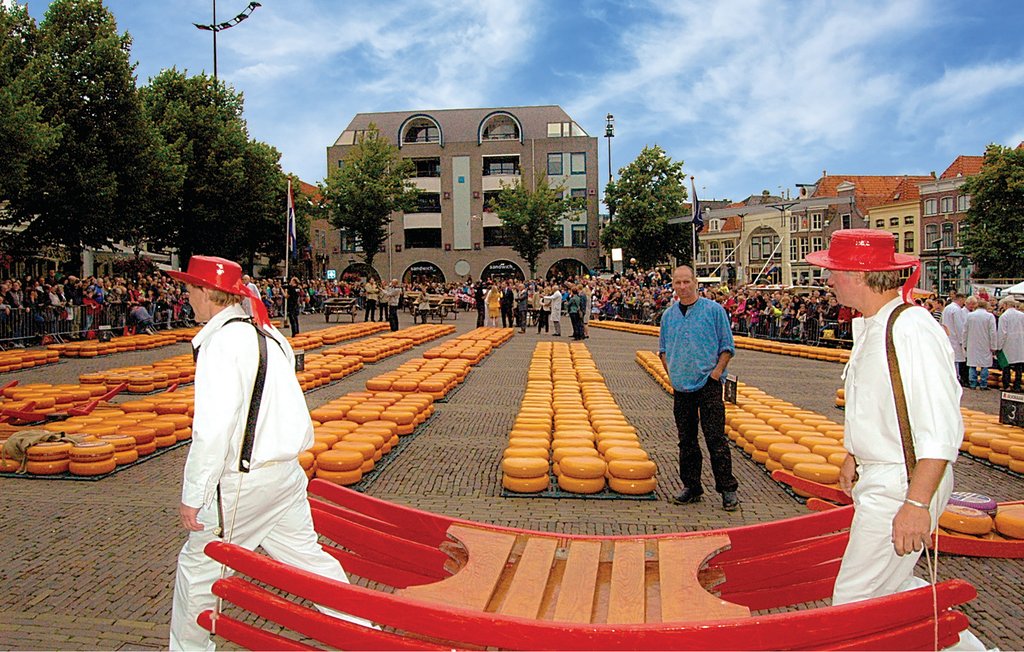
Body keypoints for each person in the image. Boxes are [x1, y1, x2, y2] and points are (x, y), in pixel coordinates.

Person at [167, 256, 373, 650]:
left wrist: (194, 494)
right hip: (285, 474)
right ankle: (364, 632)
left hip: (245, 482)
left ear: (208, 293)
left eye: (190, 288)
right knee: (310, 562)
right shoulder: (267, 334)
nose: (186, 296)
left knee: (198, 570)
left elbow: (212, 428)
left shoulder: (222, 343)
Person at [804, 230, 962, 606]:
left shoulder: (910, 328)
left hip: (902, 481)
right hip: (887, 476)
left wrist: (916, 504)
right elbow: (882, 406)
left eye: (833, 272)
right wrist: (854, 453)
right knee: (889, 589)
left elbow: (940, 427)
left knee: (856, 599)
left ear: (858, 275)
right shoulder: (876, 326)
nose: (828, 281)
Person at [658, 265, 739, 511]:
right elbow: (662, 350)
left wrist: (716, 373)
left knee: (715, 437)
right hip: (682, 387)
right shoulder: (668, 316)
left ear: (695, 282)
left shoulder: (714, 311)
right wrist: (671, 374)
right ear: (673, 284)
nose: (682, 287)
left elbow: (727, 346)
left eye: (686, 282)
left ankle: (727, 488)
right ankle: (691, 486)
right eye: (678, 283)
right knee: (687, 440)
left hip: (708, 384)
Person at [963, 296, 997, 390]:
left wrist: (964, 343)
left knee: (972, 364)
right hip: (985, 343)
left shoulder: (970, 316)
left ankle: (972, 383)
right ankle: (983, 384)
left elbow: (965, 330)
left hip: (972, 343)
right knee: (985, 365)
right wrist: (993, 345)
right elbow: (993, 332)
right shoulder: (990, 316)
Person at [941, 291, 968, 388]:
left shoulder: (947, 308)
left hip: (948, 336)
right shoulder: (956, 310)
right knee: (957, 360)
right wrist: (962, 340)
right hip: (955, 338)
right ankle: (957, 378)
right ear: (960, 299)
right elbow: (959, 326)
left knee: (951, 358)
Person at [998, 297, 1024, 391]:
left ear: (1005, 305)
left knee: (1006, 366)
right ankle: (1017, 385)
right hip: (1020, 343)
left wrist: (999, 346)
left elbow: (1002, 333)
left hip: (1008, 344)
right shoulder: (1022, 315)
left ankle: (1007, 385)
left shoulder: (1004, 317)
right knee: (1018, 366)